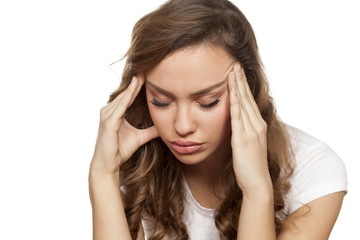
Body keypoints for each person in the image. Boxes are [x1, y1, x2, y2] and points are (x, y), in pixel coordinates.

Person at [88, 0, 347, 239]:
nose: (182, 126)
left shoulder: (313, 171)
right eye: (161, 101)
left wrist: (257, 190)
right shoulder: (136, 159)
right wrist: (102, 174)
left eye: (207, 102)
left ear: (250, 87)